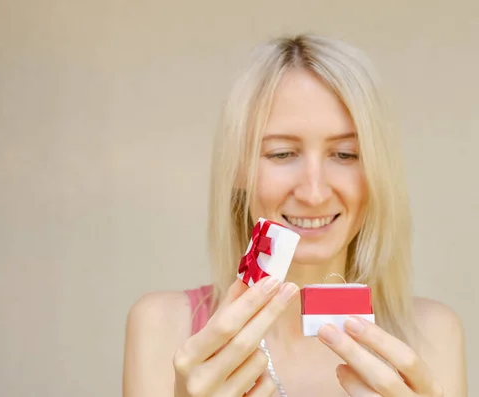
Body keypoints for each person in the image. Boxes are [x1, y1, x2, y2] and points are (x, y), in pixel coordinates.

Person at [122, 33, 468, 397]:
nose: (314, 192)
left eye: (346, 154)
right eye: (283, 154)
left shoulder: (434, 335)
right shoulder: (163, 327)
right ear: (238, 169)